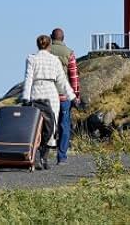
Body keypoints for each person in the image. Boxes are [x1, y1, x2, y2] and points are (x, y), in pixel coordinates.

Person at [21, 34, 76, 170]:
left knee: (35, 126)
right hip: (51, 92)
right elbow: (62, 80)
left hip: (36, 91)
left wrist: (25, 97)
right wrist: (72, 96)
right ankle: (44, 158)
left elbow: (28, 79)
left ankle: (35, 155)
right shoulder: (54, 60)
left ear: (37, 45)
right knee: (51, 125)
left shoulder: (31, 59)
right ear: (49, 45)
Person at [48, 27, 80, 165]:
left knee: (46, 126)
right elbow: (73, 77)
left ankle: (42, 155)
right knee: (64, 125)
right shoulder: (69, 53)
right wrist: (76, 95)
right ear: (63, 38)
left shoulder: (46, 52)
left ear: (51, 37)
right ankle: (61, 156)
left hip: (47, 95)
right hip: (63, 96)